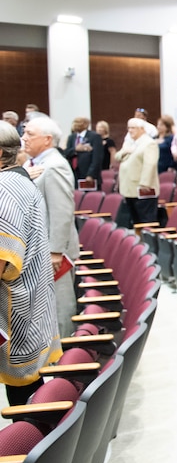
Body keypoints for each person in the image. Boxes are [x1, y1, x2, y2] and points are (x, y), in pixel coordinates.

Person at [0, 122, 63, 405]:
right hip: (31, 302)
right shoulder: (20, 180)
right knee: (28, 391)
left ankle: (28, 445)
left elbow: (4, 261)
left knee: (24, 399)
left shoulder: (4, 189)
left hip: (15, 309)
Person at [22, 116, 80, 336]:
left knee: (58, 306)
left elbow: (62, 211)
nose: (24, 138)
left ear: (47, 140)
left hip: (53, 254)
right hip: (39, 250)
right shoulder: (32, 164)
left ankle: (65, 357)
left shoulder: (54, 166)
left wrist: (55, 251)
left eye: (30, 134)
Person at [115, 118, 160, 227]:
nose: (130, 130)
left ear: (142, 129)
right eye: (129, 128)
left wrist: (145, 183)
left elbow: (150, 164)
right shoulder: (130, 143)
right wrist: (125, 151)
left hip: (142, 190)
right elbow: (117, 157)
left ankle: (148, 243)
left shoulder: (149, 143)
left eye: (133, 128)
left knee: (146, 221)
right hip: (130, 189)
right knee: (135, 222)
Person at [63, 116, 104, 188]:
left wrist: (90, 174)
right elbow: (66, 153)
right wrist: (75, 149)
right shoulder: (71, 137)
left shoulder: (94, 137)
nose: (75, 124)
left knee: (90, 198)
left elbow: (97, 158)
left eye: (78, 122)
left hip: (88, 174)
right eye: (74, 122)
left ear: (86, 124)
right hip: (74, 173)